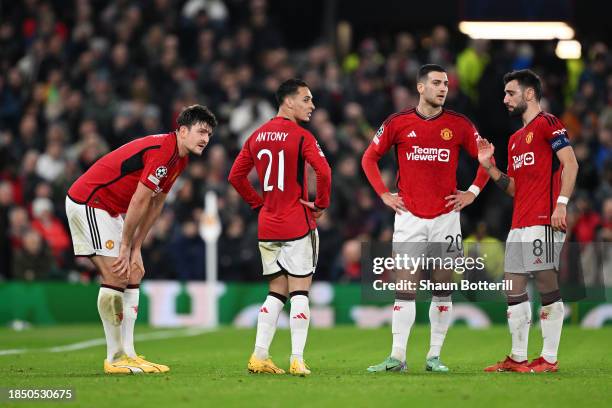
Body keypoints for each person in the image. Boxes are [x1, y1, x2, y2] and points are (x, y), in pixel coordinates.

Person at [65, 104, 217, 374]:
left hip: (110, 209)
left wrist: (136, 248)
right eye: (201, 131)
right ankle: (114, 358)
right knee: (116, 273)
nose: (206, 138)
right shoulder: (164, 151)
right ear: (182, 131)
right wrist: (125, 246)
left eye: (209, 134)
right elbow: (139, 199)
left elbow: (157, 202)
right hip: (89, 201)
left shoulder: (179, 158)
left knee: (133, 270)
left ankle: (130, 353)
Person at [361, 64, 491, 373]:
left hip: (446, 217)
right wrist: (383, 194)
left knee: (442, 288)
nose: (443, 88)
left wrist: (472, 191)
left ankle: (434, 356)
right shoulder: (399, 122)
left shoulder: (459, 124)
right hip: (408, 217)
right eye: (436, 83)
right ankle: (397, 357)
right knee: (404, 287)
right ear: (421, 88)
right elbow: (368, 158)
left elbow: (486, 159)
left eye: (445, 83)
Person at [228, 78, 332, 376]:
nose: (312, 105)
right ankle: (297, 358)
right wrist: (321, 204)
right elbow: (323, 170)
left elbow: (236, 176)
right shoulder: (301, 136)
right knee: (300, 292)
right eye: (306, 99)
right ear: (288, 101)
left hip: (268, 225)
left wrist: (257, 204)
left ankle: (259, 355)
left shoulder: (256, 136)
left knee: (276, 292)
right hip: (298, 222)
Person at [478, 69, 578, 373]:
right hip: (520, 222)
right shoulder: (514, 140)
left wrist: (561, 204)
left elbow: (571, 164)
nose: (505, 99)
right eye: (505, 93)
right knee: (514, 288)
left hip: (543, 219)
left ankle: (549, 358)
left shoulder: (548, 123)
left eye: (511, 93)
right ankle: (518, 357)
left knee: (547, 284)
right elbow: (514, 189)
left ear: (529, 93)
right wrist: (490, 168)